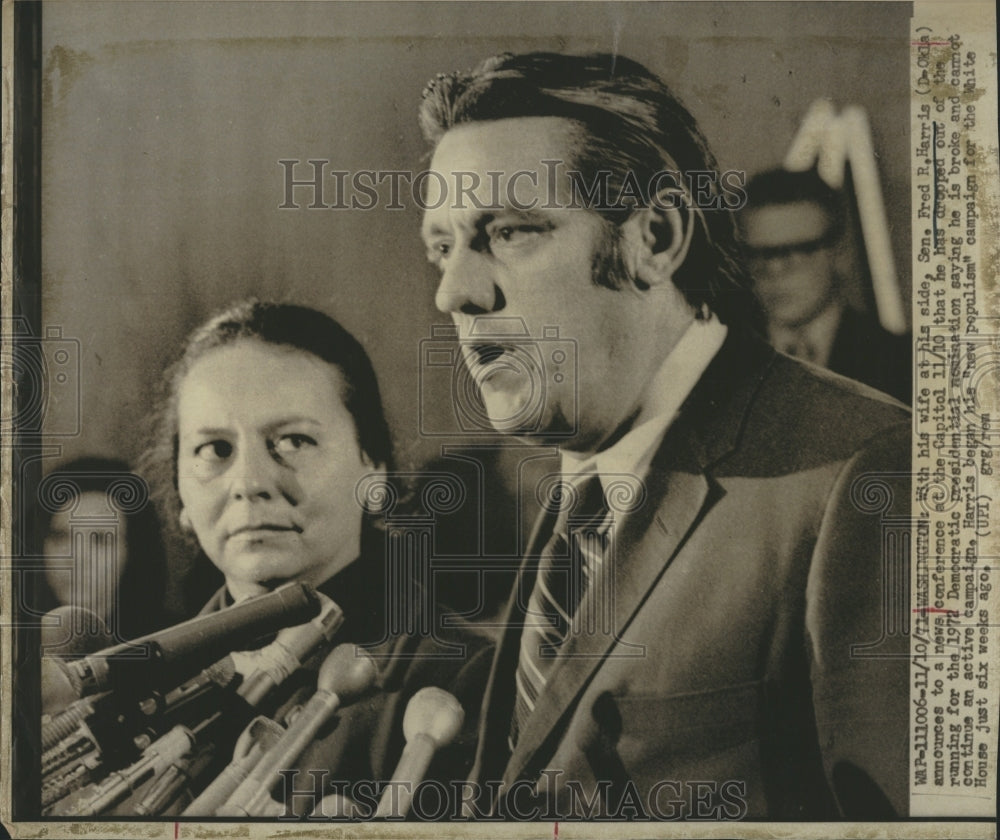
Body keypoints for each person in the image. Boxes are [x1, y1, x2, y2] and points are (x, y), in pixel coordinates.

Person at [418, 52, 910, 820]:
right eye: (442, 247)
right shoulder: (580, 488)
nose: (456, 292)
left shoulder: (868, 468)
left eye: (509, 232)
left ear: (656, 235)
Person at [141, 300, 492, 816]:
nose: (250, 483)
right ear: (181, 497)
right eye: (215, 450)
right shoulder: (138, 692)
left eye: (293, 441)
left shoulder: (469, 679)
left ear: (373, 471)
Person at [740, 167, 912, 403]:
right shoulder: (723, 365)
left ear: (841, 255)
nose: (773, 270)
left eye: (797, 250)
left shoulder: (905, 363)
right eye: (757, 254)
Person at [34, 455, 168, 643]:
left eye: (100, 539)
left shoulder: (168, 644)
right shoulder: (15, 646)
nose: (76, 559)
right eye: (60, 537)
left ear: (132, 552)